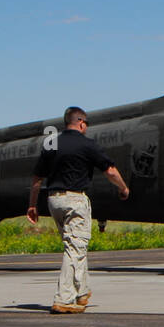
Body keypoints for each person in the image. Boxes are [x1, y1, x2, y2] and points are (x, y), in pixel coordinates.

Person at [27, 107, 130, 313]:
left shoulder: (52, 143)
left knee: (75, 245)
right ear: (81, 122)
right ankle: (64, 299)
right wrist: (124, 188)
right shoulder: (87, 144)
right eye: (87, 124)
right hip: (75, 200)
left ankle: (82, 292)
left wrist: (32, 205)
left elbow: (37, 179)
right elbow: (110, 170)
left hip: (54, 200)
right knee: (75, 248)